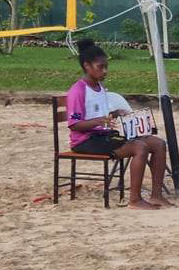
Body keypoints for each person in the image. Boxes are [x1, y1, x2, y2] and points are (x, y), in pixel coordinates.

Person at [66, 39, 171, 208]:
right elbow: (74, 124)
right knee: (140, 147)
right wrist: (100, 121)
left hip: (104, 135)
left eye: (106, 66)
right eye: (101, 67)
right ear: (87, 66)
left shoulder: (99, 87)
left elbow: (101, 114)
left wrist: (115, 114)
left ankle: (156, 195)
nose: (105, 71)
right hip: (86, 140)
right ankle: (135, 200)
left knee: (158, 144)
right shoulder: (78, 90)